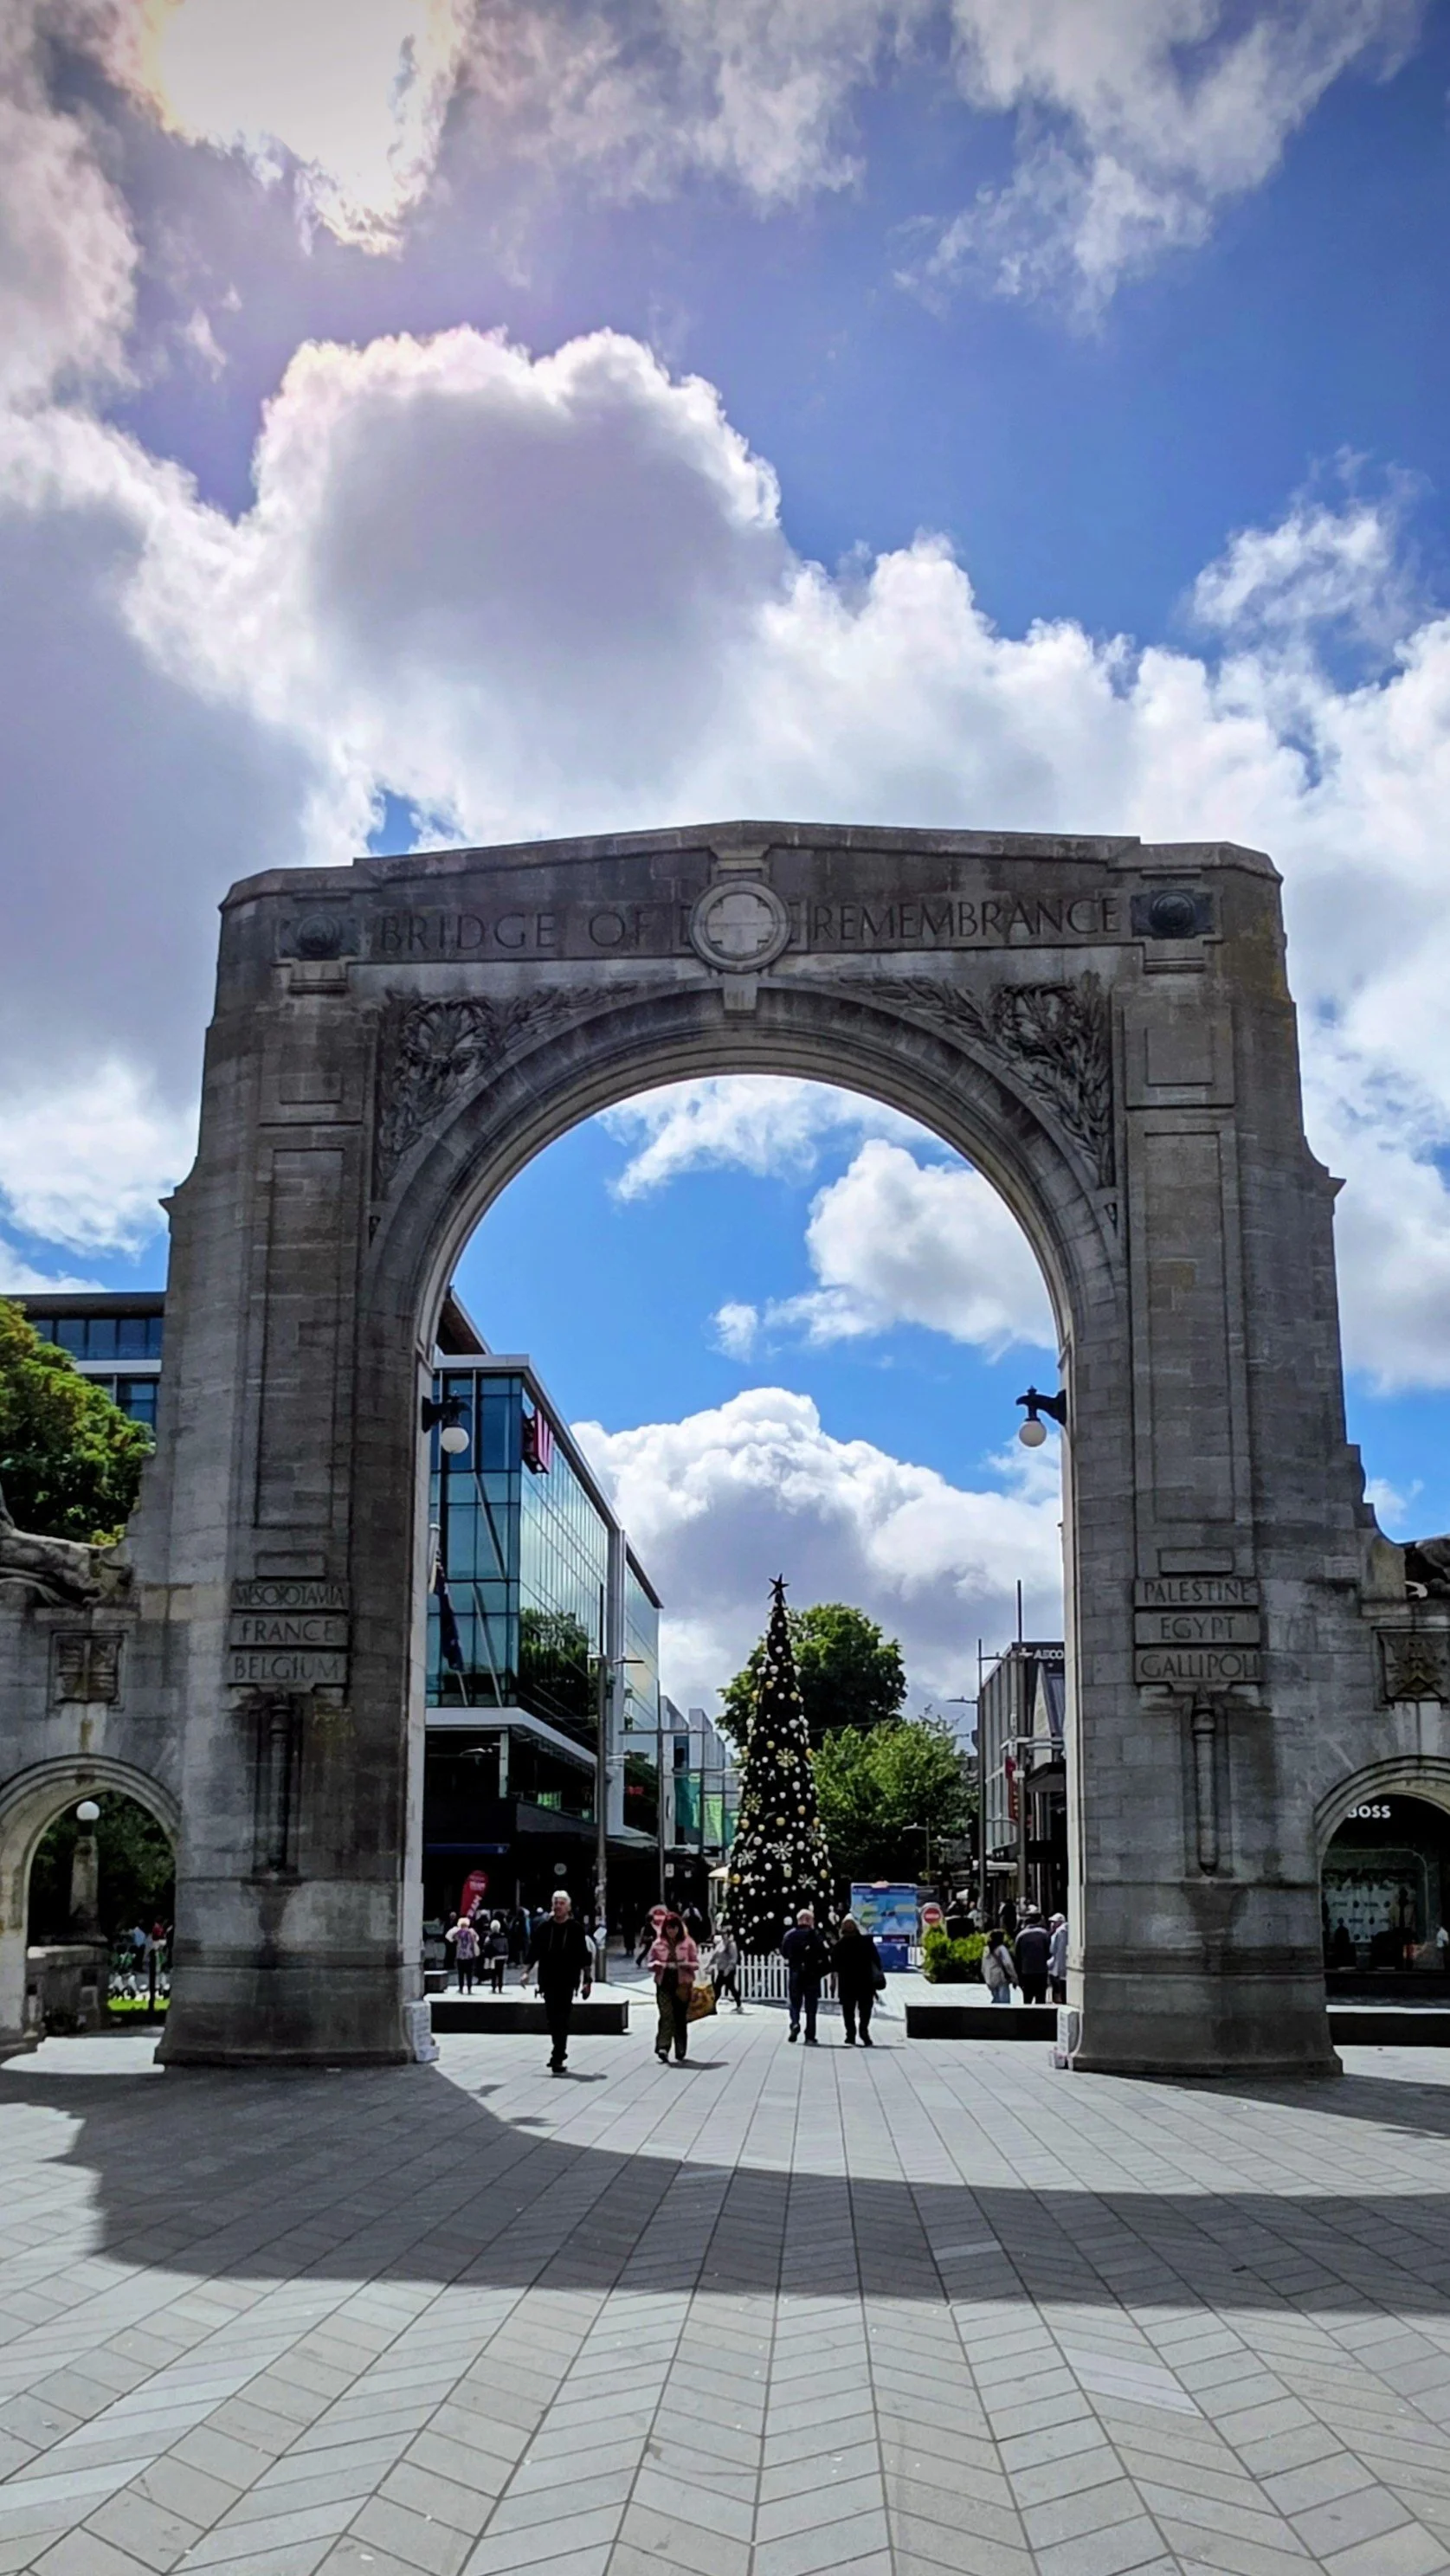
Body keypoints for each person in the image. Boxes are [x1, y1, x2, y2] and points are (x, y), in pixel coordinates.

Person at [524, 1890, 593, 2073]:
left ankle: (558, 2055)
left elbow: (584, 1956)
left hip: (568, 1980)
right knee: (552, 2019)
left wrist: (588, 1981)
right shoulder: (544, 1928)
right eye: (555, 1903)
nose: (558, 1906)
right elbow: (535, 1951)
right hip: (548, 1980)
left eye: (562, 1903)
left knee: (562, 2018)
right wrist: (526, 1972)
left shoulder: (576, 1929)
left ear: (568, 1907)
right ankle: (558, 2052)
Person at [648, 1910, 699, 2062]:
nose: (672, 1931)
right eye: (669, 1928)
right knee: (666, 2014)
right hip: (664, 1982)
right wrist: (658, 1964)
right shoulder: (658, 1944)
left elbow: (696, 1963)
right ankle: (663, 2047)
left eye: (675, 1928)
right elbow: (650, 1963)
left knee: (680, 2016)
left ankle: (681, 2048)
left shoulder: (688, 1943)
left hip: (682, 1983)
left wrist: (685, 1964)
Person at [780, 1908, 830, 2045]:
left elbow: (784, 1952)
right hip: (812, 1975)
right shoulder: (816, 1936)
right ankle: (810, 2035)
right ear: (810, 1921)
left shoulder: (789, 1935)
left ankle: (795, 2023)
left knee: (794, 2003)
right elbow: (825, 1955)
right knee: (811, 2007)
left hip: (796, 1973)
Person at [834, 1916, 881, 2047]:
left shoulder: (840, 1945)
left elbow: (835, 1965)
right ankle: (863, 2031)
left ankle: (850, 2034)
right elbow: (877, 1961)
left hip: (847, 1983)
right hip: (865, 1982)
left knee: (848, 2010)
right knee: (865, 2009)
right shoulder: (866, 1942)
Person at [1015, 1910, 1050, 2006]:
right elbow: (1049, 1953)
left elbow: (1017, 1956)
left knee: (1027, 1999)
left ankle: (1027, 2018)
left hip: (1026, 1971)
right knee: (1041, 1998)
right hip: (1041, 1971)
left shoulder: (1020, 1935)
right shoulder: (1044, 1934)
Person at [712, 1924, 744, 2012]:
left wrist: (728, 1969)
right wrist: (709, 1964)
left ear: (728, 1934)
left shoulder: (731, 1944)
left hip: (728, 1970)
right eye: (721, 1933)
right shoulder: (720, 1944)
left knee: (730, 1988)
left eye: (724, 1933)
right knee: (717, 1989)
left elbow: (734, 1958)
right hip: (721, 1970)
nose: (722, 1935)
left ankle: (739, 2005)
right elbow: (715, 1956)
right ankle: (712, 2007)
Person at [983, 1927, 1018, 2006]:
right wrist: (1014, 1978)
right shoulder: (1001, 1949)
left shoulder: (986, 1950)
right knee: (1004, 2001)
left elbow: (983, 1966)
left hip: (990, 1978)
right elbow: (1008, 1964)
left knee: (996, 1999)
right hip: (1001, 1978)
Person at [448, 1912, 480, 1993]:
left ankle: (461, 1988)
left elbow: (449, 1937)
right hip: (470, 1955)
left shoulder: (458, 1933)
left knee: (461, 1974)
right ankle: (469, 1988)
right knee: (469, 1974)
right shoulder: (471, 1932)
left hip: (460, 1956)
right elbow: (477, 1939)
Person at [483, 1916, 509, 1993]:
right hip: (502, 1956)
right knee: (501, 1973)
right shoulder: (503, 1936)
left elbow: (486, 1946)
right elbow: (506, 1946)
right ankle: (500, 1987)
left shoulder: (490, 1937)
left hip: (494, 1957)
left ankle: (494, 1987)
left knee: (494, 1973)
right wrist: (507, 1955)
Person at [1047, 1912, 1068, 2004]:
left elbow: (1053, 1949)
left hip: (1057, 1967)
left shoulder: (1059, 1932)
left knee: (1058, 1990)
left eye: (1054, 1922)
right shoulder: (1067, 1930)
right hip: (1064, 1966)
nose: (1052, 1924)